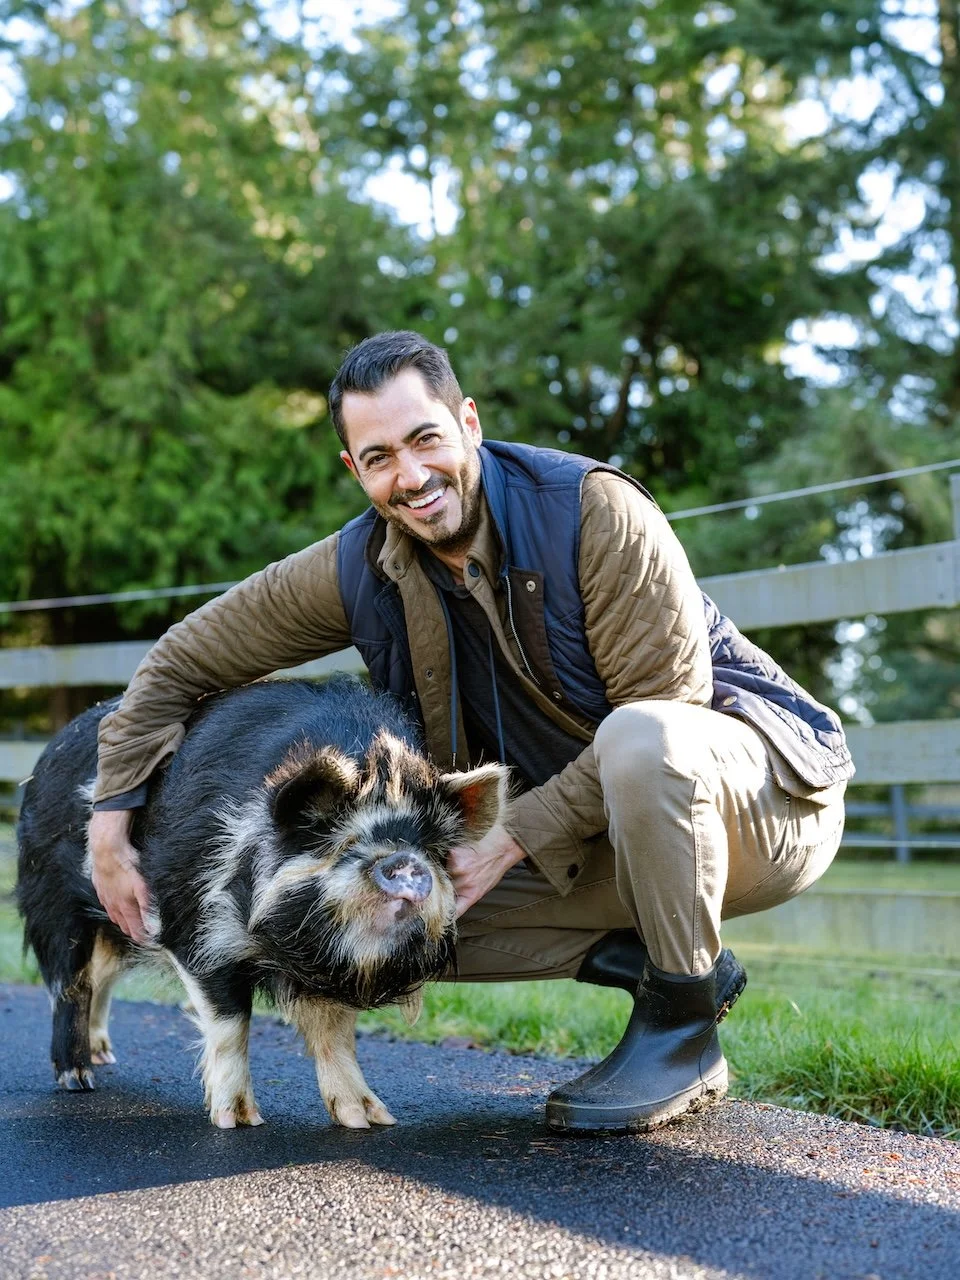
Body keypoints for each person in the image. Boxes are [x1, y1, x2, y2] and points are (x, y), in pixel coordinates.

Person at [89, 330, 853, 1133]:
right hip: (600, 840)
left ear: (469, 422)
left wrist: (514, 832)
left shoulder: (595, 513)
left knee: (642, 738)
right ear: (354, 471)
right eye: (379, 456)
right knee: (371, 913)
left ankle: (683, 1033)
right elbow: (180, 661)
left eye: (426, 439)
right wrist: (111, 821)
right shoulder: (358, 564)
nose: (411, 477)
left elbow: (670, 719)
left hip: (759, 807)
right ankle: (664, 964)